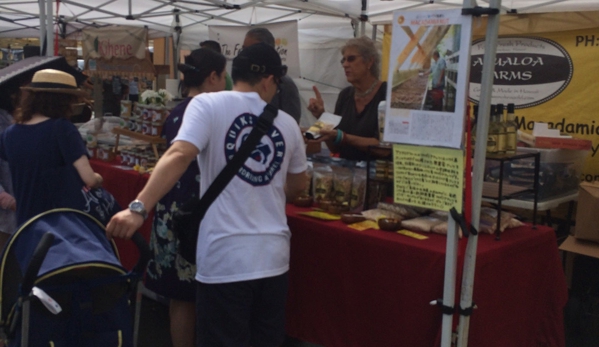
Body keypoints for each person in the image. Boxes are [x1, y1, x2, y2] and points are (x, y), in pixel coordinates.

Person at [106, 43, 307, 347]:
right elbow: (297, 187)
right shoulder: (288, 124)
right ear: (268, 80)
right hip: (273, 257)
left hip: (224, 256)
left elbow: (179, 155)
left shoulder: (207, 105)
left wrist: (138, 208)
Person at [144, 48, 227, 347]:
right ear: (213, 76)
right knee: (205, 296)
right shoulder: (212, 112)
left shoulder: (177, 112)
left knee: (181, 298)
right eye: (224, 75)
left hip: (172, 211)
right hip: (200, 215)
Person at [0, 69, 103, 226]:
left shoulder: (10, 133)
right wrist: (98, 178)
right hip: (60, 223)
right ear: (65, 101)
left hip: (25, 223)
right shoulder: (62, 129)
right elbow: (88, 178)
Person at [307, 36, 386, 161]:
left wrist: (343, 137)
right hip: (346, 176)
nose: (345, 65)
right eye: (343, 60)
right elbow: (335, 148)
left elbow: (384, 148)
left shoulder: (386, 94)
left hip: (376, 176)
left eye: (351, 59)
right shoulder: (345, 95)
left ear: (370, 61)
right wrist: (321, 116)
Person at [243, 27, 302, 124]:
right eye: (244, 49)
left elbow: (292, 123)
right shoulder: (244, 79)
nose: (245, 54)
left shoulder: (284, 84)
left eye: (251, 49)